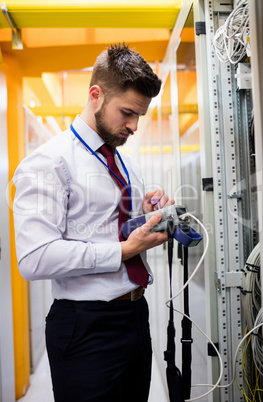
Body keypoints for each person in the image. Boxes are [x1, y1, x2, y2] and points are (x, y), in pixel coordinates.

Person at [13, 43, 174, 402]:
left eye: (140, 117)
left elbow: (110, 223)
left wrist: (146, 210)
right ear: (96, 95)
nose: (133, 126)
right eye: (127, 113)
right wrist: (122, 251)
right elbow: (34, 258)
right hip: (85, 326)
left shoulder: (124, 162)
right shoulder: (49, 163)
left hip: (135, 315)